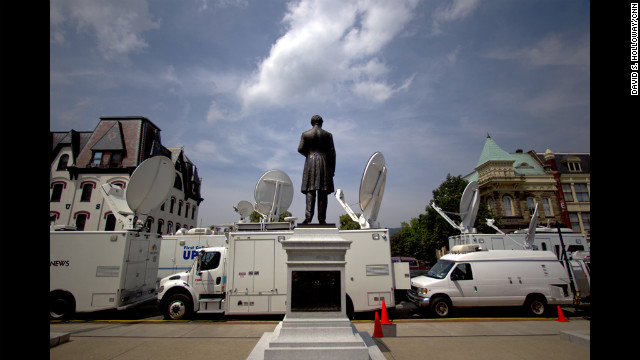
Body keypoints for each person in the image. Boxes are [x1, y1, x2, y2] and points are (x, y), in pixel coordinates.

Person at [298, 115, 336, 224]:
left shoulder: (305, 134)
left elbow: (300, 149)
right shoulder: (328, 135)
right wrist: (332, 170)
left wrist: (309, 154)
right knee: (323, 192)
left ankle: (308, 217)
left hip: (310, 162)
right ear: (321, 123)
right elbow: (332, 154)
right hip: (324, 163)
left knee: (310, 190)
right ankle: (322, 219)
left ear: (311, 123)